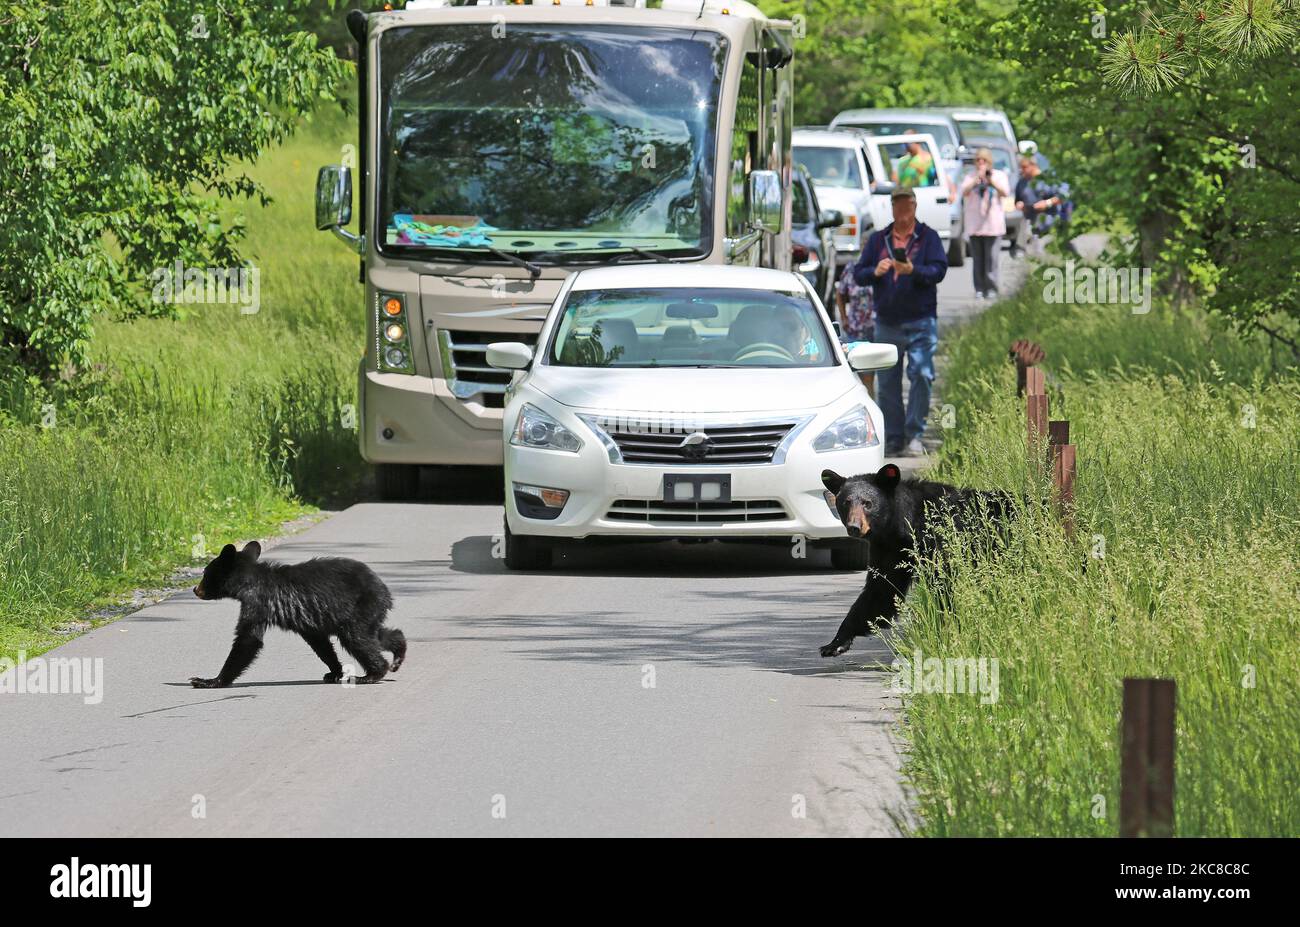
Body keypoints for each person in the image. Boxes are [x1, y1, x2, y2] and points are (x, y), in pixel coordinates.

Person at [852, 186, 948, 457]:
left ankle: (915, 434)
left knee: (922, 374)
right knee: (888, 383)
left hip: (921, 319)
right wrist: (876, 270)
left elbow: (939, 270)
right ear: (892, 209)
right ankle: (893, 437)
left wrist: (913, 270)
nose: (903, 214)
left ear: (915, 208)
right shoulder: (878, 240)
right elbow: (859, 274)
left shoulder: (928, 237)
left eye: (908, 208)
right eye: (898, 208)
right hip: (887, 321)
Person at [959, 148, 1010, 299]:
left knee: (992, 258)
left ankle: (992, 287)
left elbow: (1005, 192)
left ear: (989, 162)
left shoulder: (999, 175)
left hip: (992, 224)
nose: (981, 163)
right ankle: (979, 288)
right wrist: (977, 179)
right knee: (978, 259)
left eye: (984, 160)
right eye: (978, 160)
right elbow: (964, 192)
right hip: (975, 224)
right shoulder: (970, 176)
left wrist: (991, 181)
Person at [1016, 155, 1076, 255]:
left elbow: (1063, 196)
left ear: (1033, 165)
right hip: (1032, 225)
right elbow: (1017, 200)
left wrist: (1047, 203)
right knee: (1035, 255)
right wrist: (1020, 205)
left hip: (1051, 224)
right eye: (1021, 167)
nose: (1022, 170)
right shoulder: (1022, 182)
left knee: (1059, 252)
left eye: (1024, 167)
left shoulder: (1048, 179)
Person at [834, 269, 875, 396]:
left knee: (873, 376)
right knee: (862, 377)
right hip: (855, 330)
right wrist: (843, 317)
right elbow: (840, 293)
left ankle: (872, 403)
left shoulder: (881, 265)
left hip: (877, 329)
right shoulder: (851, 269)